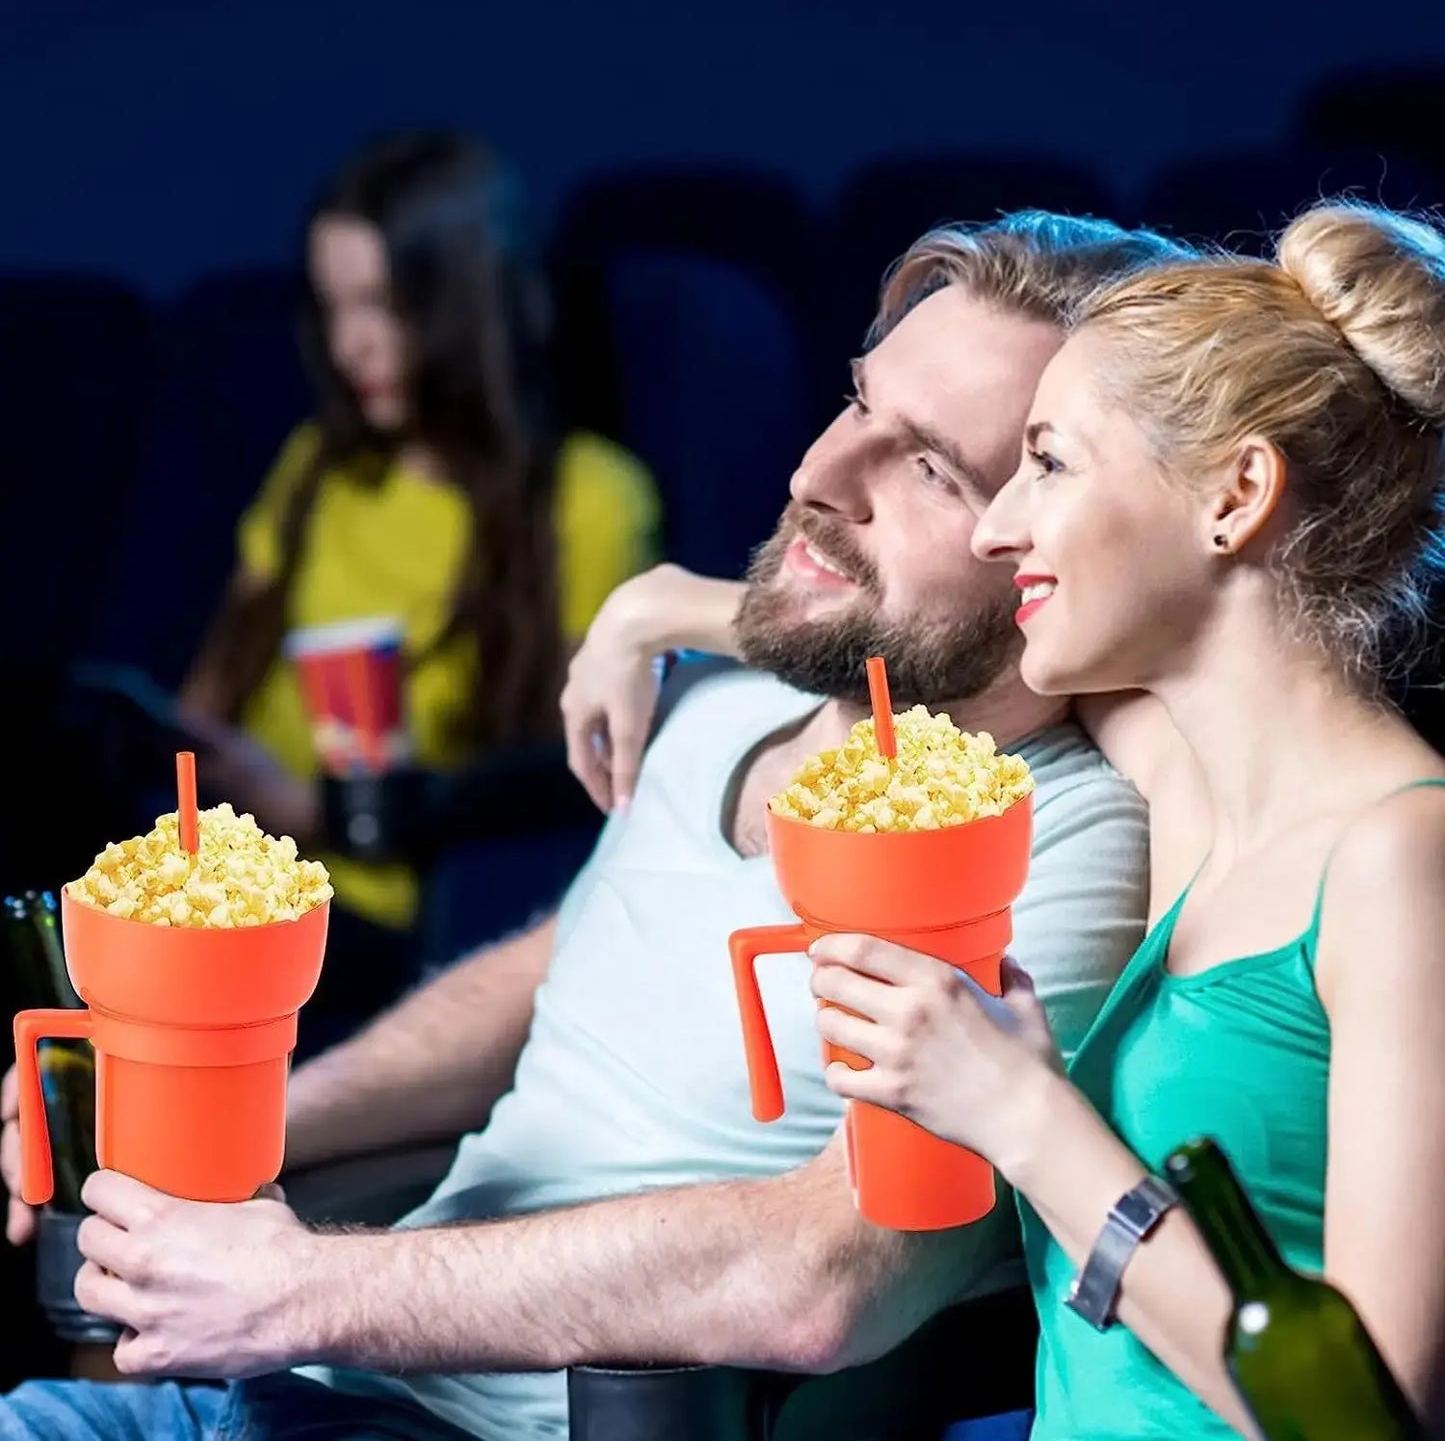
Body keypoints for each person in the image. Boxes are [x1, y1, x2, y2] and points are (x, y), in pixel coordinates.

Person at [0, 210, 1187, 1441]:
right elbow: (556, 964)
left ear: (1047, 540)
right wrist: (213, 1135)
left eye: (932, 468)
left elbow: (832, 1276)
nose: (817, 477)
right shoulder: (722, 704)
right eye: (855, 406)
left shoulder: (1042, 839)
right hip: (299, 1388)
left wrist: (299, 1289)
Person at [567, 204, 1445, 1437]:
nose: (995, 525)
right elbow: (959, 644)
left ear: (1236, 493)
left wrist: (1022, 1116)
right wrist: (663, 607)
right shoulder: (1186, 772)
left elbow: (1372, 1416)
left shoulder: (1400, 858)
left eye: (1050, 463)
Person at [172, 130, 661, 1029]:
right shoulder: (318, 468)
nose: (351, 343)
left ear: (463, 305)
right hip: (232, 886)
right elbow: (204, 699)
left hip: (408, 923)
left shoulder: (589, 498)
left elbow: (578, 764)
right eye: (331, 308)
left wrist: (334, 808)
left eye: (383, 306)